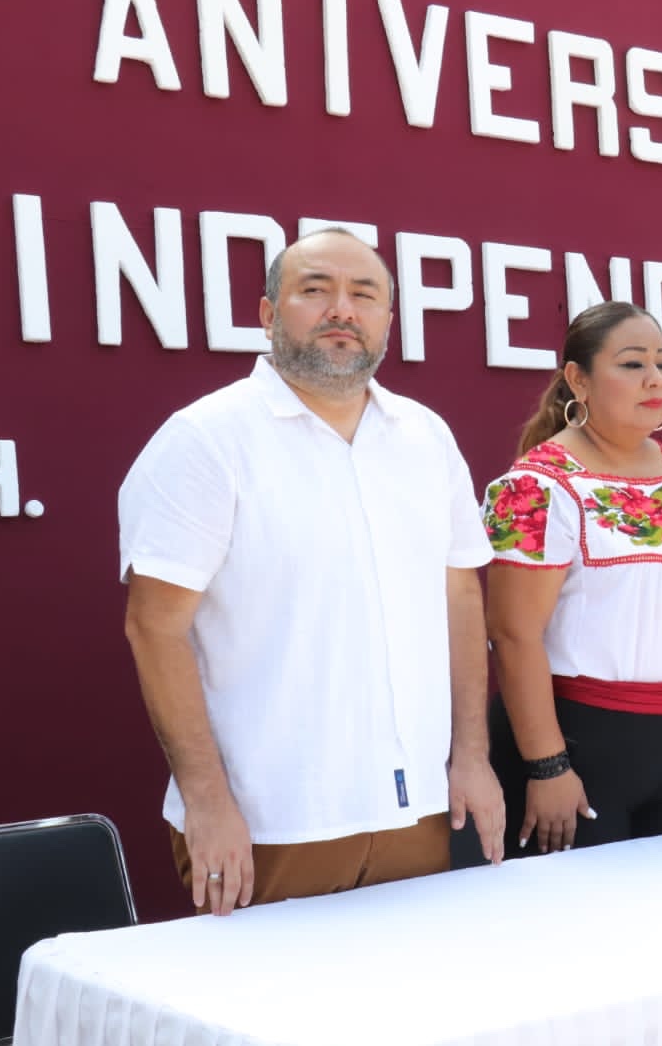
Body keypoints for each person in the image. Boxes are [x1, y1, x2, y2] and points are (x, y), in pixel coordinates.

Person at [119, 227, 504, 916]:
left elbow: (459, 600)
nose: (342, 310)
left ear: (389, 318)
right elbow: (155, 627)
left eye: (364, 294)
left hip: (415, 808)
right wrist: (208, 802)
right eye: (314, 291)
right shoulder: (206, 440)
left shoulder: (425, 437)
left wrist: (472, 756)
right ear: (268, 315)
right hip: (270, 821)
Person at [479, 301, 662, 859]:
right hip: (582, 746)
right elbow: (513, 636)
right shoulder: (535, 487)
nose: (655, 379)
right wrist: (548, 765)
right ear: (578, 379)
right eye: (631, 364)